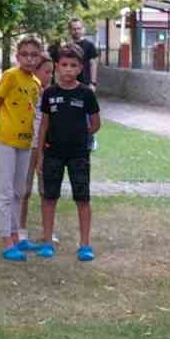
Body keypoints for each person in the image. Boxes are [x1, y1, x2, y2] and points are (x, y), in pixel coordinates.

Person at [35, 46, 102, 260]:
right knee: (49, 197)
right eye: (64, 65)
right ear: (57, 66)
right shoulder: (49, 93)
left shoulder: (86, 93)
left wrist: (79, 135)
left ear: (80, 68)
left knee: (82, 199)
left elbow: (95, 123)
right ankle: (47, 242)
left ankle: (84, 245)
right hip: (52, 153)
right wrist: (40, 155)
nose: (68, 70)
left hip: (79, 155)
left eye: (73, 66)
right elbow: (43, 125)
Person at [0, 34, 46, 261]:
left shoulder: (36, 83)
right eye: (24, 54)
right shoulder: (10, 76)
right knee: (5, 190)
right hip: (6, 140)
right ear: (17, 55)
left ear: (39, 57)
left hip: (25, 142)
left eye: (34, 55)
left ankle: (17, 235)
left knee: (20, 190)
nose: (29, 59)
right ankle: (6, 240)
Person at [18, 57, 55, 247]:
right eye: (46, 72)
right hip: (27, 144)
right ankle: (21, 230)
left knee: (46, 190)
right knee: (24, 189)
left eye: (51, 72)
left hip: (46, 146)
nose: (49, 76)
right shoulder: (27, 90)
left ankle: (47, 231)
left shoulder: (52, 93)